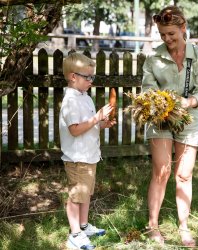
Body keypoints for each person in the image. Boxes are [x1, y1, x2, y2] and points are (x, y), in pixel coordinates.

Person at [142, 5, 198, 247]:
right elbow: (147, 90)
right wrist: (161, 104)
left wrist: (188, 102)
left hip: (188, 118)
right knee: (162, 171)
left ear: (183, 28)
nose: (166, 39)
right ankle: (153, 226)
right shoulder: (154, 57)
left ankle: (183, 227)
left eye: (171, 33)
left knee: (184, 174)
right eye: (162, 34)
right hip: (160, 118)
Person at [59, 52, 116, 250]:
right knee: (76, 196)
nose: (91, 80)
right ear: (73, 76)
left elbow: (87, 126)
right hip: (77, 157)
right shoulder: (70, 101)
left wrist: (102, 124)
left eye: (93, 76)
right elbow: (74, 130)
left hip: (89, 155)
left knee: (86, 194)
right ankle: (75, 235)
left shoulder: (85, 98)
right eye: (87, 77)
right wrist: (96, 118)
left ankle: (83, 226)